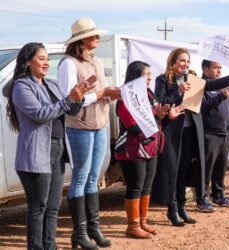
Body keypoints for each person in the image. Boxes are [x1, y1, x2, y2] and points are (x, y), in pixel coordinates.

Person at [6, 42, 91, 250]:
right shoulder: (21, 86)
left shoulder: (51, 84)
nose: (46, 62)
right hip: (36, 155)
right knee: (38, 208)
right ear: (28, 62)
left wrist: (78, 97)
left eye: (47, 59)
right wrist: (68, 99)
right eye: (41, 58)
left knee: (53, 207)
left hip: (58, 150)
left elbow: (69, 110)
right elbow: (40, 114)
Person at [151, 48, 229, 227]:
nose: (185, 64)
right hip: (173, 132)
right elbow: (160, 102)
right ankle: (172, 208)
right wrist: (178, 90)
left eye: (187, 61)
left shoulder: (191, 79)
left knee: (184, 170)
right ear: (173, 62)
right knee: (173, 171)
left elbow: (210, 85)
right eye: (182, 61)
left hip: (191, 130)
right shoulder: (163, 80)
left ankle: (182, 207)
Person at [57, 18, 120, 249]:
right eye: (93, 35)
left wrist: (110, 94)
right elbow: (70, 100)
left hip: (99, 125)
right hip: (79, 127)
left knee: (94, 178)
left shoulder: (96, 61)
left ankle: (93, 229)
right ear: (81, 39)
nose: (98, 38)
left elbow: (98, 93)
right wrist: (103, 92)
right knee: (81, 178)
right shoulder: (68, 64)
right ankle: (80, 233)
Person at [115, 61, 184, 239]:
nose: (150, 78)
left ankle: (143, 222)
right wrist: (154, 119)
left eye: (150, 74)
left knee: (147, 185)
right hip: (132, 148)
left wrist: (163, 115)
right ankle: (132, 226)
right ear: (136, 76)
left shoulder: (149, 94)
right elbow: (131, 124)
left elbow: (156, 119)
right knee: (135, 186)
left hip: (151, 146)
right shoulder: (124, 96)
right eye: (146, 74)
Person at [199, 60, 229, 210]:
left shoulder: (223, 84)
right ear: (206, 69)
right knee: (206, 169)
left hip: (225, 132)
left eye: (220, 67)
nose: (219, 70)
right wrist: (220, 96)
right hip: (210, 133)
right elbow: (202, 108)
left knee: (221, 167)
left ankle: (219, 196)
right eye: (215, 67)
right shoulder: (202, 85)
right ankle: (202, 199)